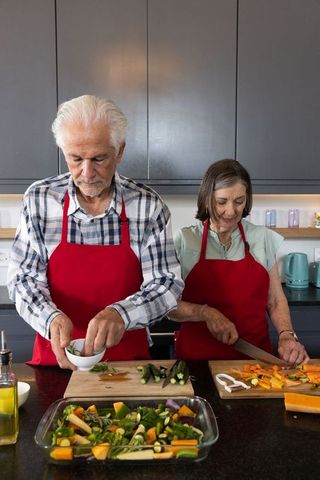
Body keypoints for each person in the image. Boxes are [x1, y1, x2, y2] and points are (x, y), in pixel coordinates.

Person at [7, 95, 183, 369]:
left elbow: (167, 284)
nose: (87, 172)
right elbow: (22, 280)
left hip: (127, 368)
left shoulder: (148, 206)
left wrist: (121, 314)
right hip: (57, 362)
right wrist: (50, 318)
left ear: (119, 151)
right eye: (75, 158)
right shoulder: (39, 200)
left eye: (99, 158)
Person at [169, 159, 309, 366]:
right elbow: (168, 306)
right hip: (197, 362)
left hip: (254, 360)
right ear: (207, 199)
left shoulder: (262, 238)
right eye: (221, 202)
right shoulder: (185, 240)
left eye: (239, 201)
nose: (231, 211)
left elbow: (276, 300)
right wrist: (205, 313)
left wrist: (287, 335)